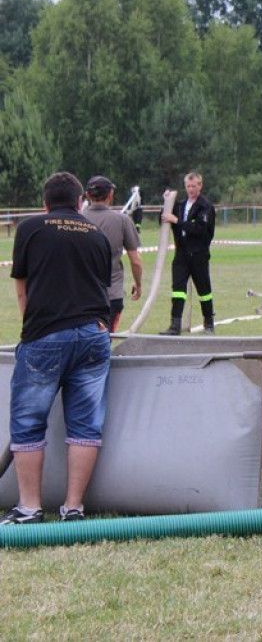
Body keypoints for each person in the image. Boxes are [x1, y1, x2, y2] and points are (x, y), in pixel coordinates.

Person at [2, 172, 112, 524]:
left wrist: (32, 330)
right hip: (95, 336)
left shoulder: (31, 228)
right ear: (80, 202)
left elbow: (23, 288)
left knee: (28, 423)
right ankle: (73, 508)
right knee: (86, 425)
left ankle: (31, 508)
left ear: (45, 202)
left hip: (47, 336)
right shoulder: (96, 233)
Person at [83, 176, 144, 332]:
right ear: (110, 194)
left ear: (88, 196)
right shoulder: (122, 221)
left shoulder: (76, 219)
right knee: (103, 343)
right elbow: (135, 260)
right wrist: (138, 284)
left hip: (81, 296)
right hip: (111, 295)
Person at [160, 172, 216, 335]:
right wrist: (166, 202)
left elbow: (200, 229)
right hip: (181, 255)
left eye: (194, 186)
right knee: (178, 289)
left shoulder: (205, 206)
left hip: (199, 255)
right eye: (188, 186)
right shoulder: (181, 205)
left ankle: (209, 324)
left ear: (200, 186)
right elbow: (164, 218)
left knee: (204, 291)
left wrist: (177, 221)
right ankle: (175, 325)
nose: (191, 189)